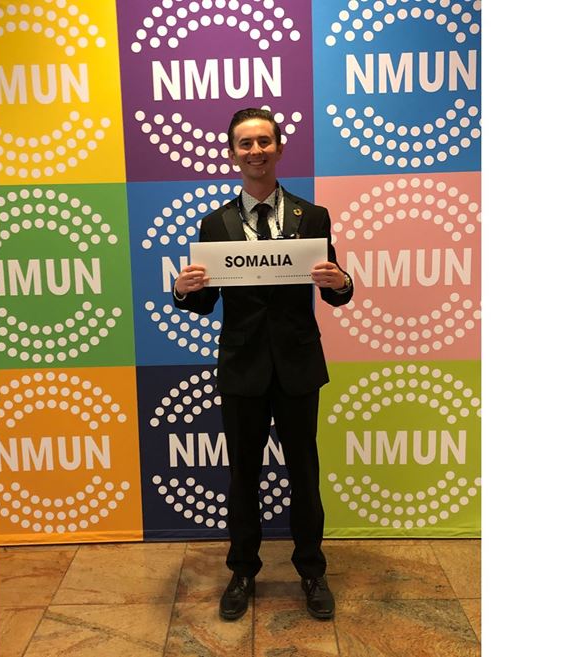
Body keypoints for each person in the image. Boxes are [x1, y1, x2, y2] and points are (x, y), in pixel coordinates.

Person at [172, 107, 354, 621]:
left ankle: (312, 571)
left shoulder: (312, 216)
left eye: (264, 142)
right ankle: (243, 570)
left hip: (297, 367)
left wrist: (341, 283)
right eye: (245, 144)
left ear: (279, 148)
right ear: (232, 153)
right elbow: (205, 301)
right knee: (243, 475)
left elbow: (335, 288)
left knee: (305, 473)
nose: (255, 151)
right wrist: (183, 292)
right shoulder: (215, 224)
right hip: (242, 369)